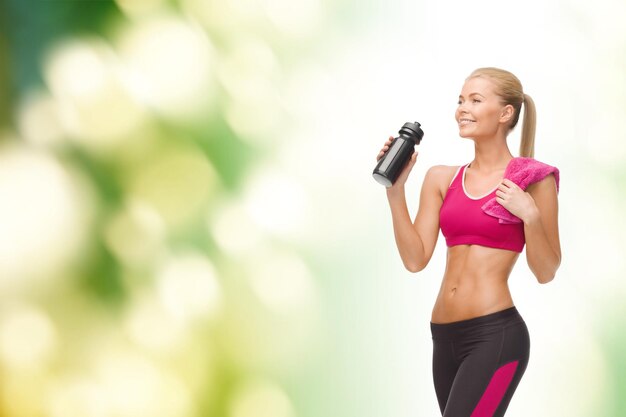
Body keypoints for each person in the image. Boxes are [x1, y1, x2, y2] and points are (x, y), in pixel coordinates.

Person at [376, 67, 561, 417]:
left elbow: (546, 271)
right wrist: (396, 190)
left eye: (476, 100)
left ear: (506, 113)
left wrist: (531, 216)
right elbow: (415, 259)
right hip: (443, 338)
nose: (462, 108)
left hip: (496, 336)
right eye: (460, 100)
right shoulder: (442, 178)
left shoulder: (533, 182)